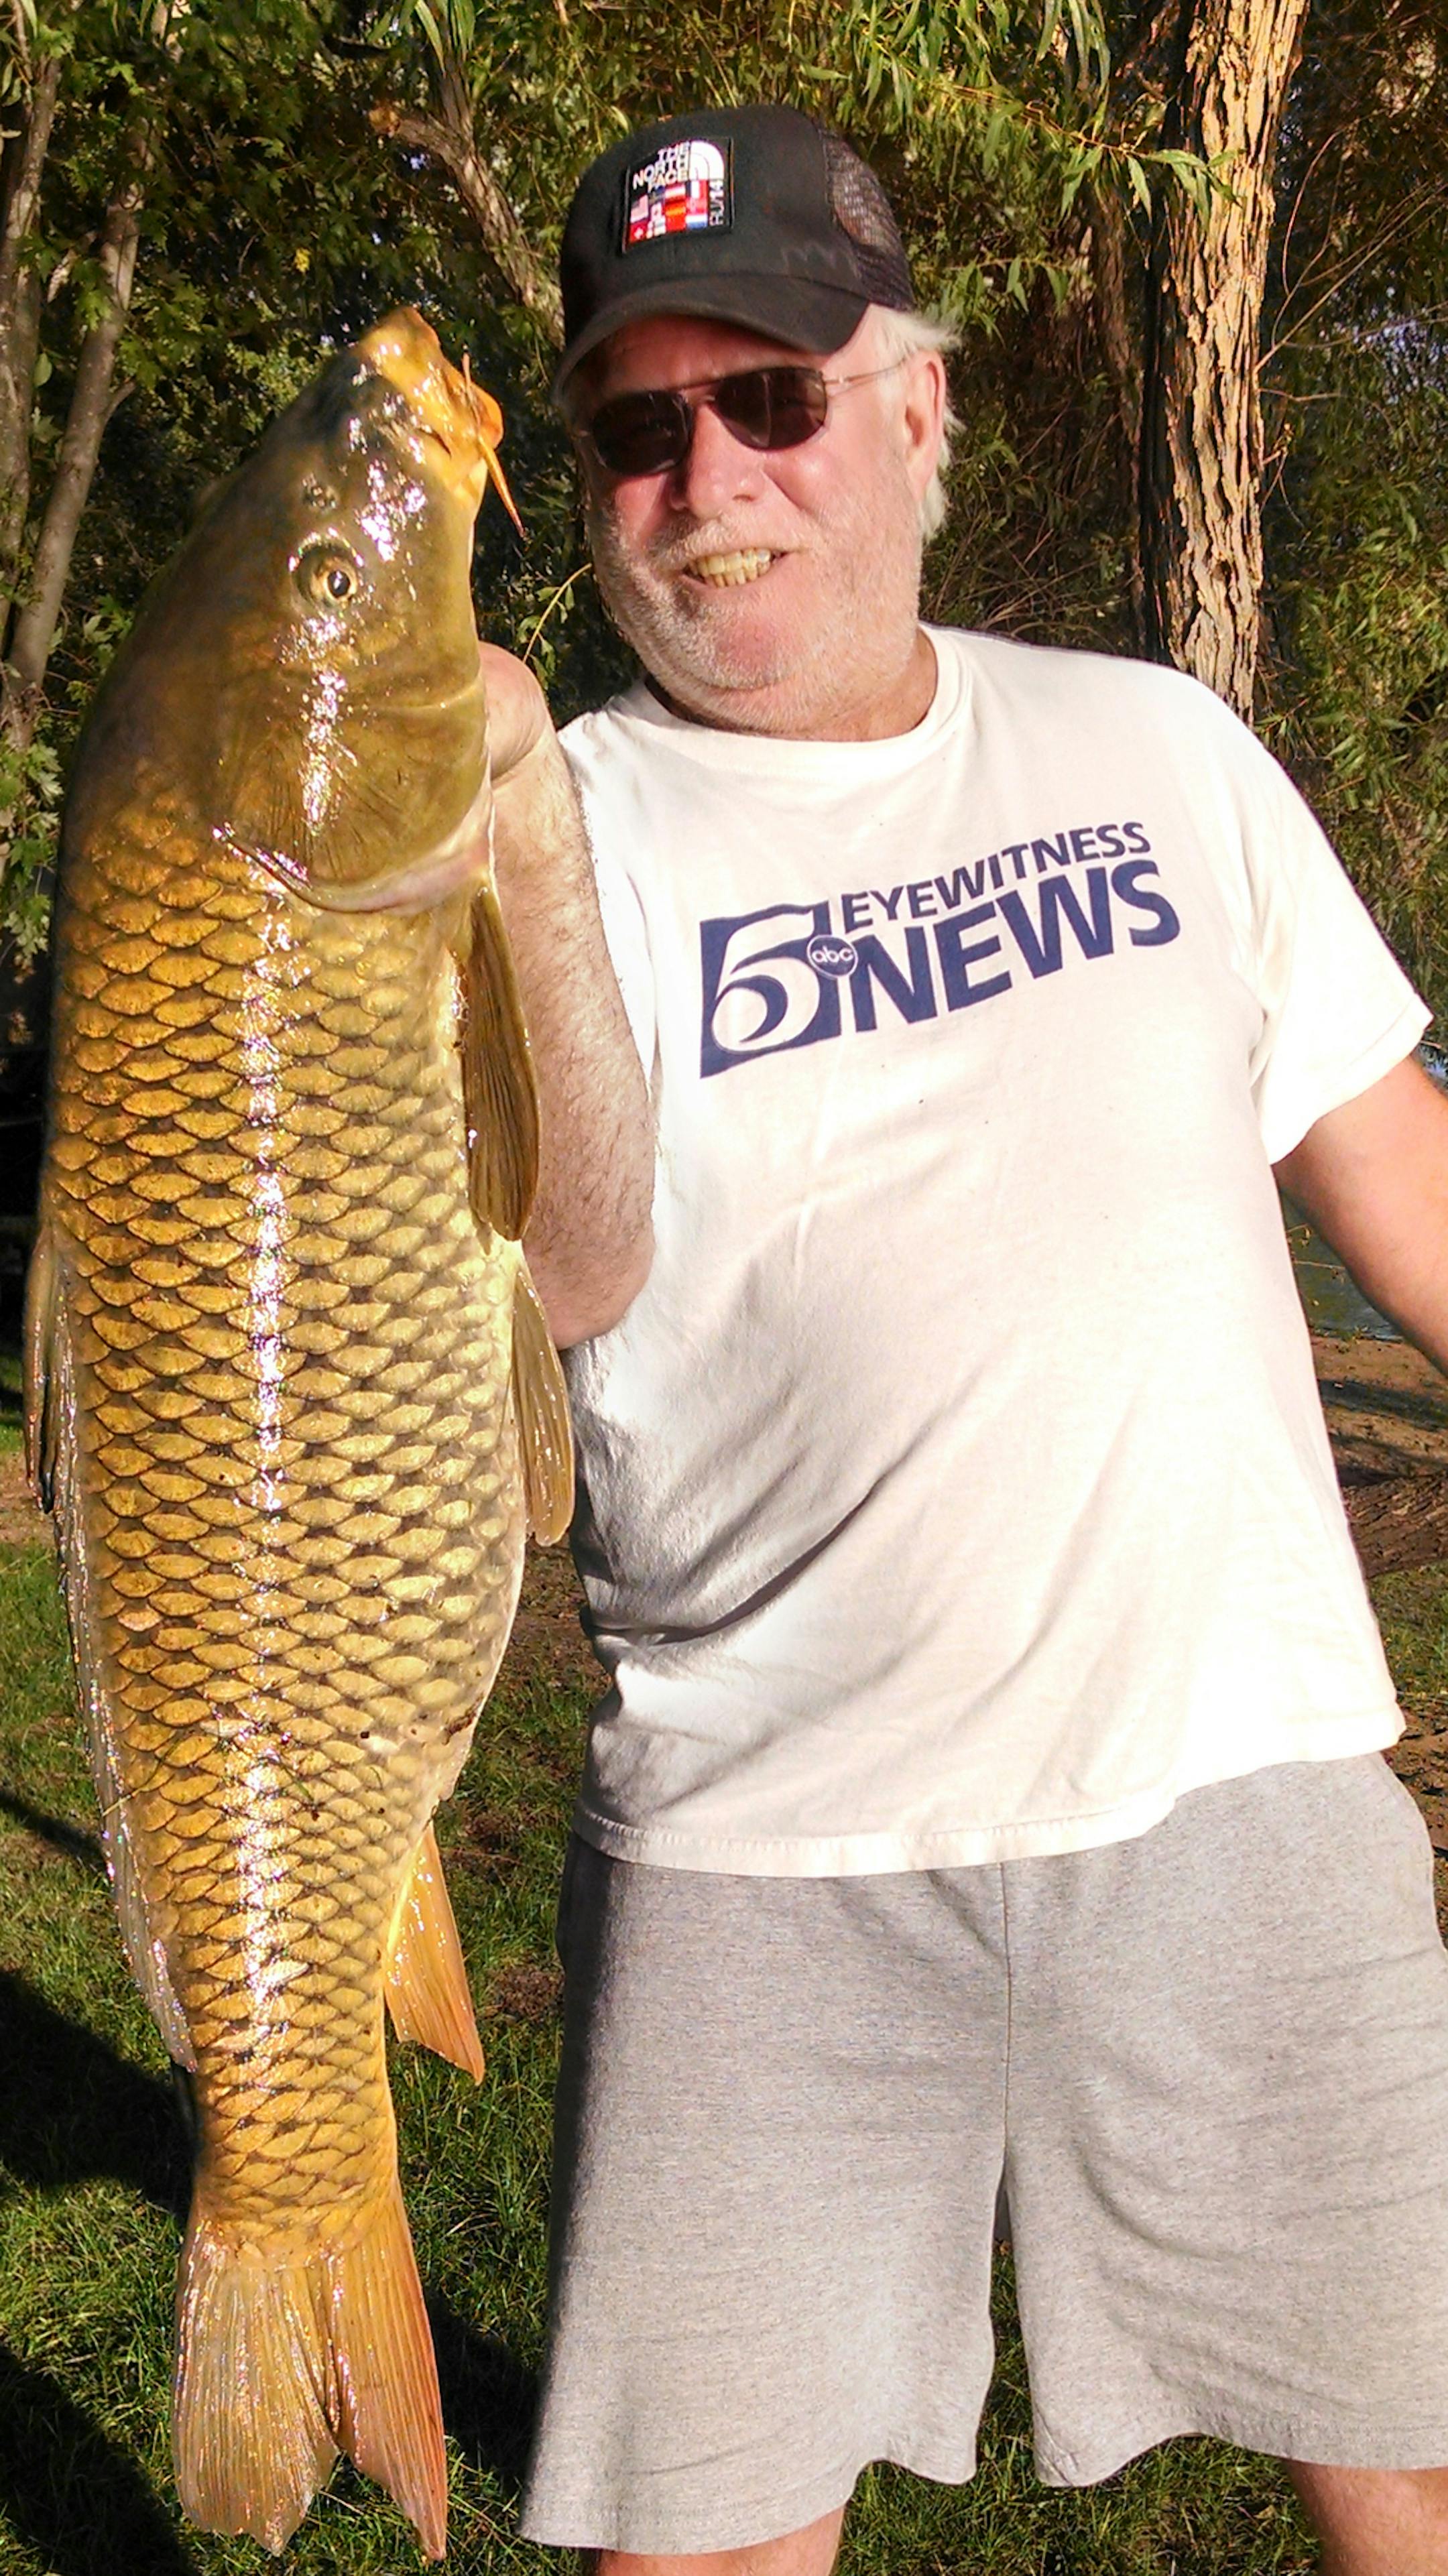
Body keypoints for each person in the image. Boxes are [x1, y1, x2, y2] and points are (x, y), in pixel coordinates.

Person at [482, 103, 1448, 2576]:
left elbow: (1403, 1178)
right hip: (761, 1847)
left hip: (1242, 1790)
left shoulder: (1156, 751)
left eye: (771, 395)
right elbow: (533, 1285)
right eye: (636, 423)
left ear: (914, 410)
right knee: (690, 2545)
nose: (708, 476)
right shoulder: (528, 837)